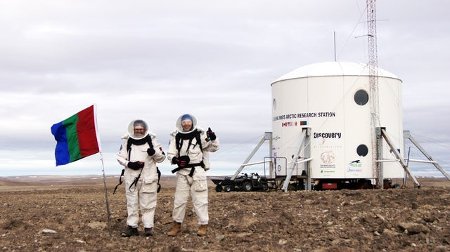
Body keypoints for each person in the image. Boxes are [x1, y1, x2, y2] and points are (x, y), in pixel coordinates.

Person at [166, 114, 219, 237]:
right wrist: (176, 160)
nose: (186, 124)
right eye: (184, 122)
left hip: (198, 171)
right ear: (181, 124)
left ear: (192, 123)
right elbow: (170, 153)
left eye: (188, 122)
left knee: (200, 200)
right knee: (179, 200)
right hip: (182, 172)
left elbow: (213, 147)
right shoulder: (176, 137)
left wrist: (213, 138)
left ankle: (203, 225)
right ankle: (176, 224)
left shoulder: (200, 135)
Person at [117, 119, 165, 237]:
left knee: (148, 203)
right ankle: (132, 227)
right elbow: (119, 157)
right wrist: (130, 164)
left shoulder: (152, 140)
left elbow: (161, 158)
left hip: (148, 177)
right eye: (136, 129)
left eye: (140, 129)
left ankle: (148, 228)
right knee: (132, 203)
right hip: (131, 177)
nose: (138, 131)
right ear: (133, 129)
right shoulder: (127, 141)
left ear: (144, 129)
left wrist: (154, 153)